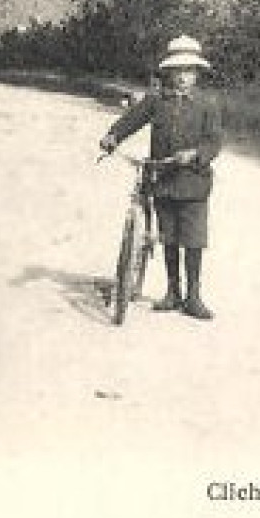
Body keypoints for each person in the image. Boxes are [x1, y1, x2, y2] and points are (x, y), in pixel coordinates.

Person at [99, 36, 223, 319]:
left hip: (194, 181)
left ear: (198, 73)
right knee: (168, 236)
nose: (183, 77)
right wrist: (113, 136)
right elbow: (132, 119)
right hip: (163, 179)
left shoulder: (208, 104)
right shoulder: (157, 100)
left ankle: (193, 297)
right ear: (167, 72)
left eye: (189, 71)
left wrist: (195, 155)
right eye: (177, 71)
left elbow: (214, 142)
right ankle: (172, 292)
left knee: (193, 240)